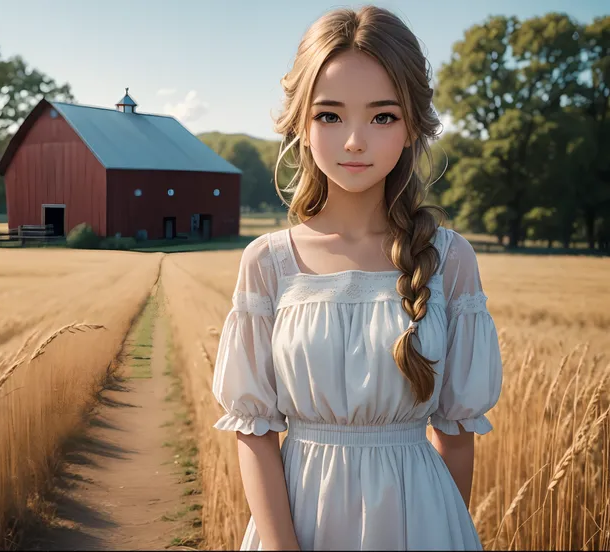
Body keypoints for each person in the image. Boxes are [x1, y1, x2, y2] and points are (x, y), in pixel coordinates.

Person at [211, 5, 503, 551]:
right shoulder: (268, 262)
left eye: (382, 116)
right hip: (299, 521)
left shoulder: (450, 258)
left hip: (423, 524)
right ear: (299, 121)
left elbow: (457, 433)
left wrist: (438, 528)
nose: (353, 141)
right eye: (330, 116)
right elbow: (254, 433)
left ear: (413, 123)